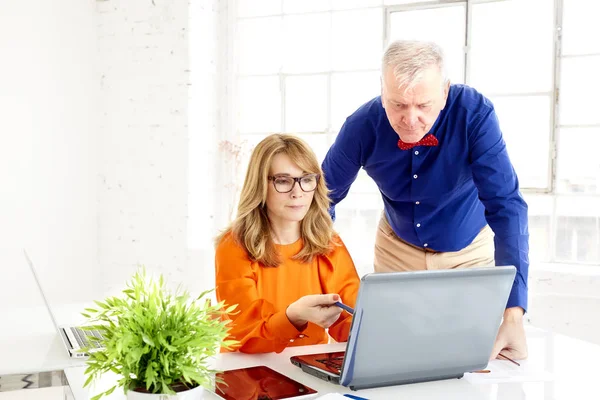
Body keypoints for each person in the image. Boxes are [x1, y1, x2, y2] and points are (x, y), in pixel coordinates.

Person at [321, 40, 529, 361]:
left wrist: (513, 313)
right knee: (391, 356)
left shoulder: (474, 114)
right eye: (398, 105)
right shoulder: (361, 125)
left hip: (468, 252)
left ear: (445, 92)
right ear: (382, 90)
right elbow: (321, 200)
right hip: (396, 250)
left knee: (471, 359)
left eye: (424, 105)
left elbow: (506, 205)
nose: (411, 119)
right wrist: (313, 272)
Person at [215, 134, 360, 354]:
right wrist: (294, 316)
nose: (297, 192)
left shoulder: (329, 243)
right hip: (248, 370)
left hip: (311, 367)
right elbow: (246, 335)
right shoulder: (234, 245)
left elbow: (350, 322)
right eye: (283, 180)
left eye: (307, 179)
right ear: (260, 184)